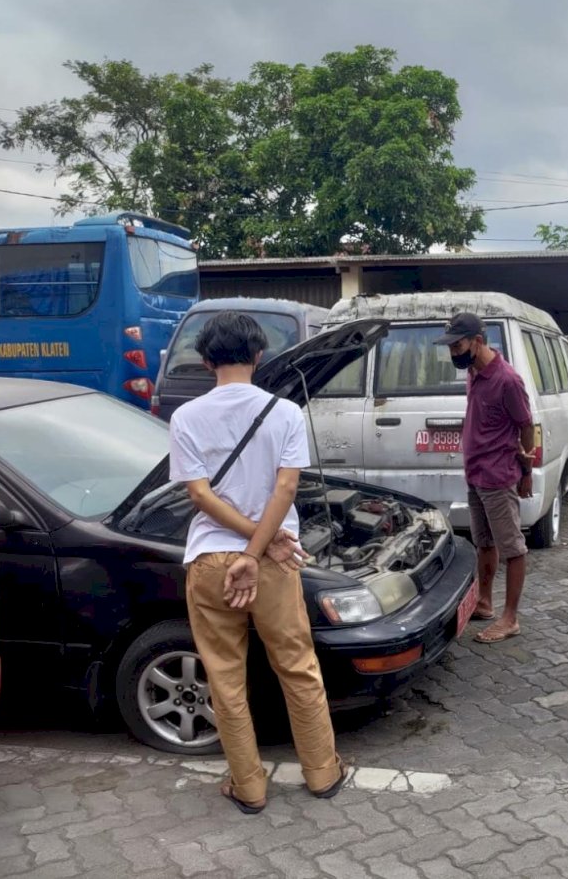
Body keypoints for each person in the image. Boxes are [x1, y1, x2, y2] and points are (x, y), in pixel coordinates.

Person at [169, 311, 346, 814]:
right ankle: (322, 774)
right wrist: (260, 548)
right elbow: (286, 487)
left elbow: (200, 495)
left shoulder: (185, 417)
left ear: (206, 361)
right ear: (259, 355)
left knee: (224, 677)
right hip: (272, 561)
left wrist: (249, 546)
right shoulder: (285, 412)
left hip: (208, 560)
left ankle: (248, 787)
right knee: (297, 667)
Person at [434, 312, 535, 643]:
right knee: (484, 542)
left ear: (477, 341)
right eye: (449, 347)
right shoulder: (474, 372)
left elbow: (525, 426)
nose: (453, 354)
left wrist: (526, 472)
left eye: (457, 345)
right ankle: (485, 603)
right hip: (475, 474)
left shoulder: (507, 380)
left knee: (513, 547)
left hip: (498, 475)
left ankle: (511, 618)